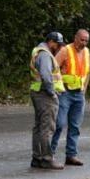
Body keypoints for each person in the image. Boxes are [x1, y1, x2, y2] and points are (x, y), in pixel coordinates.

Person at [52, 29, 90, 166]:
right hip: (65, 93)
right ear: (75, 38)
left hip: (79, 94)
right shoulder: (65, 50)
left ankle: (71, 155)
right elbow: (53, 68)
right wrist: (58, 88)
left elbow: (87, 72)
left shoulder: (86, 52)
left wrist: (84, 90)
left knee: (75, 126)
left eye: (86, 40)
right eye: (82, 40)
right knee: (59, 124)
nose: (84, 43)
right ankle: (50, 154)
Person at [29, 32, 66, 169]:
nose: (59, 47)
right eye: (57, 44)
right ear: (51, 41)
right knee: (46, 127)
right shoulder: (45, 54)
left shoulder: (38, 51)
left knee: (39, 127)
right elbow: (46, 75)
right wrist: (52, 93)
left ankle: (37, 158)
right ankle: (46, 158)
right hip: (45, 95)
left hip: (38, 92)